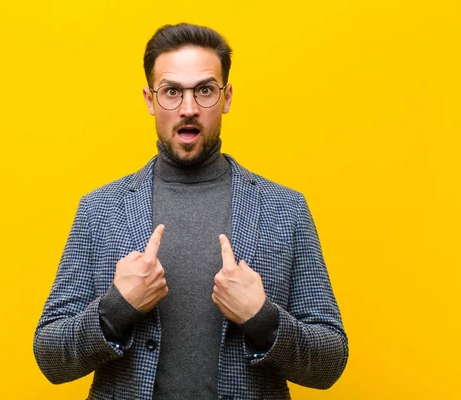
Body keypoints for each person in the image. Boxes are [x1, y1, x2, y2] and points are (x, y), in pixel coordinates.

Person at [33, 23, 348, 400]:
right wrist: (116, 309)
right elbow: (50, 358)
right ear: (150, 100)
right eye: (171, 92)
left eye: (204, 90)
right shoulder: (100, 209)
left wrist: (263, 318)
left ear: (227, 97)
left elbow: (331, 361)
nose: (189, 108)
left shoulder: (285, 209)